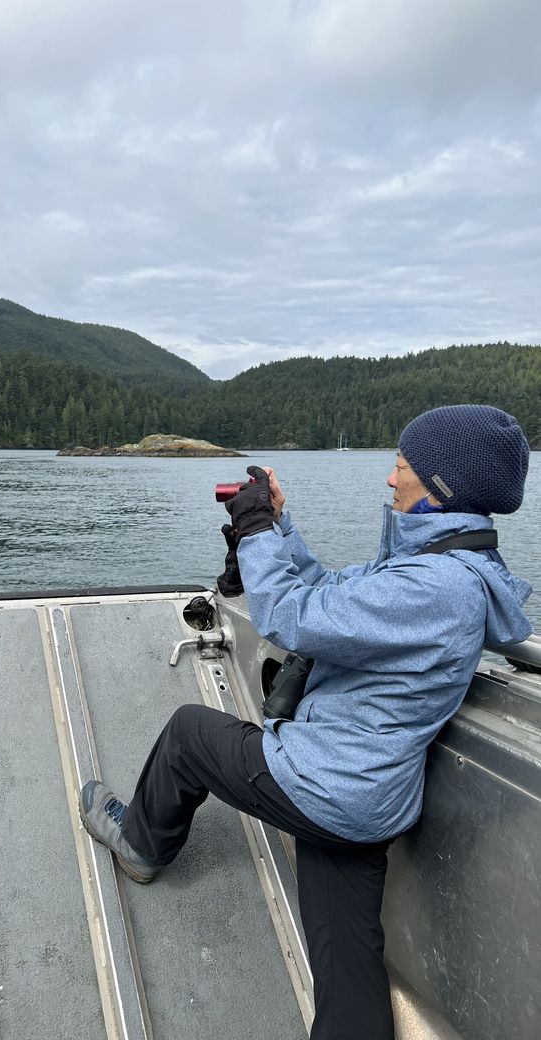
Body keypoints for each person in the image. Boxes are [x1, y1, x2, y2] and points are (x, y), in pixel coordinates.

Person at [79, 404, 533, 1040]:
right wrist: (279, 526)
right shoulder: (440, 567)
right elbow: (326, 597)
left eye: (401, 466)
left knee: (188, 732)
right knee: (348, 974)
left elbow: (290, 617)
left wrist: (257, 533)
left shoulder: (435, 585)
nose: (389, 480)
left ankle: (143, 846)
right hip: (365, 798)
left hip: (329, 782)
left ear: (441, 486)